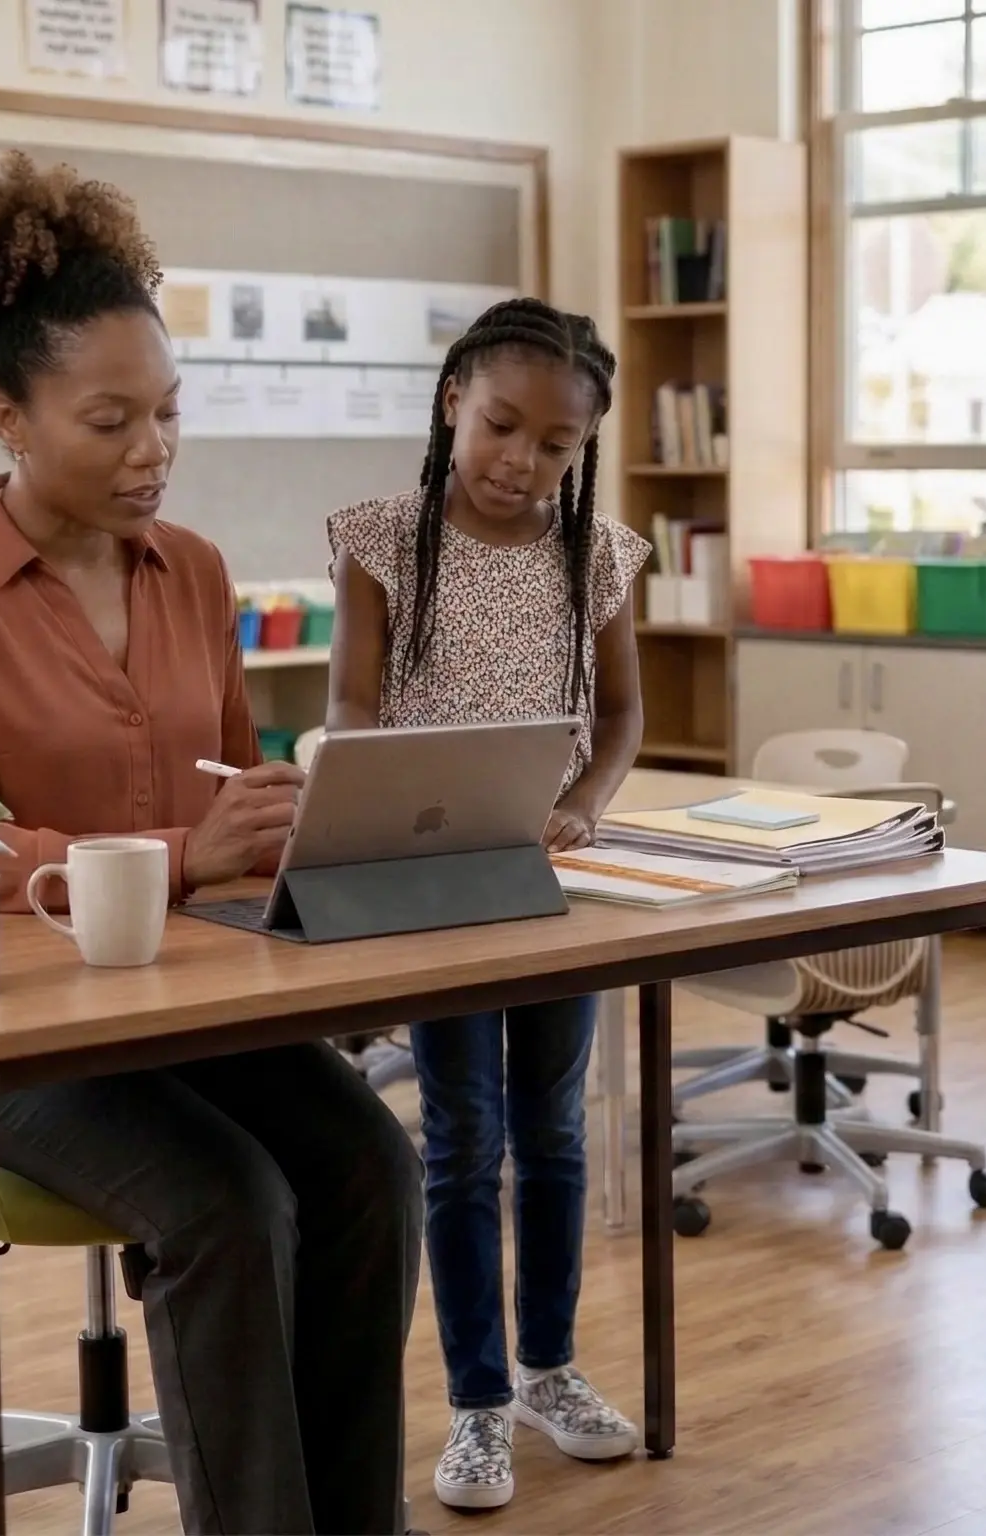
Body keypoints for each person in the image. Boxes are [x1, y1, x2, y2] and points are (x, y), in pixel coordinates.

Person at [0, 149, 422, 1536]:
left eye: (167, 414)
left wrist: (290, 828)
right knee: (226, 1202)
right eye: (109, 421)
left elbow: (221, 808)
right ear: (7, 417)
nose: (151, 450)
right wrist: (179, 854)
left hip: (178, 1003)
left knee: (369, 1167)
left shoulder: (198, 571)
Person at [323, 297, 649, 1512]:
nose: (523, 461)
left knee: (553, 1134)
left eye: (556, 444)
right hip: (433, 884)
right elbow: (351, 709)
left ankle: (547, 1370)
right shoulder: (378, 539)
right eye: (503, 425)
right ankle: (472, 1404)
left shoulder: (599, 556)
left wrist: (586, 802)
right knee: (463, 1143)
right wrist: (403, 790)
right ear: (453, 396)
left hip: (546, 885)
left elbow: (617, 719)